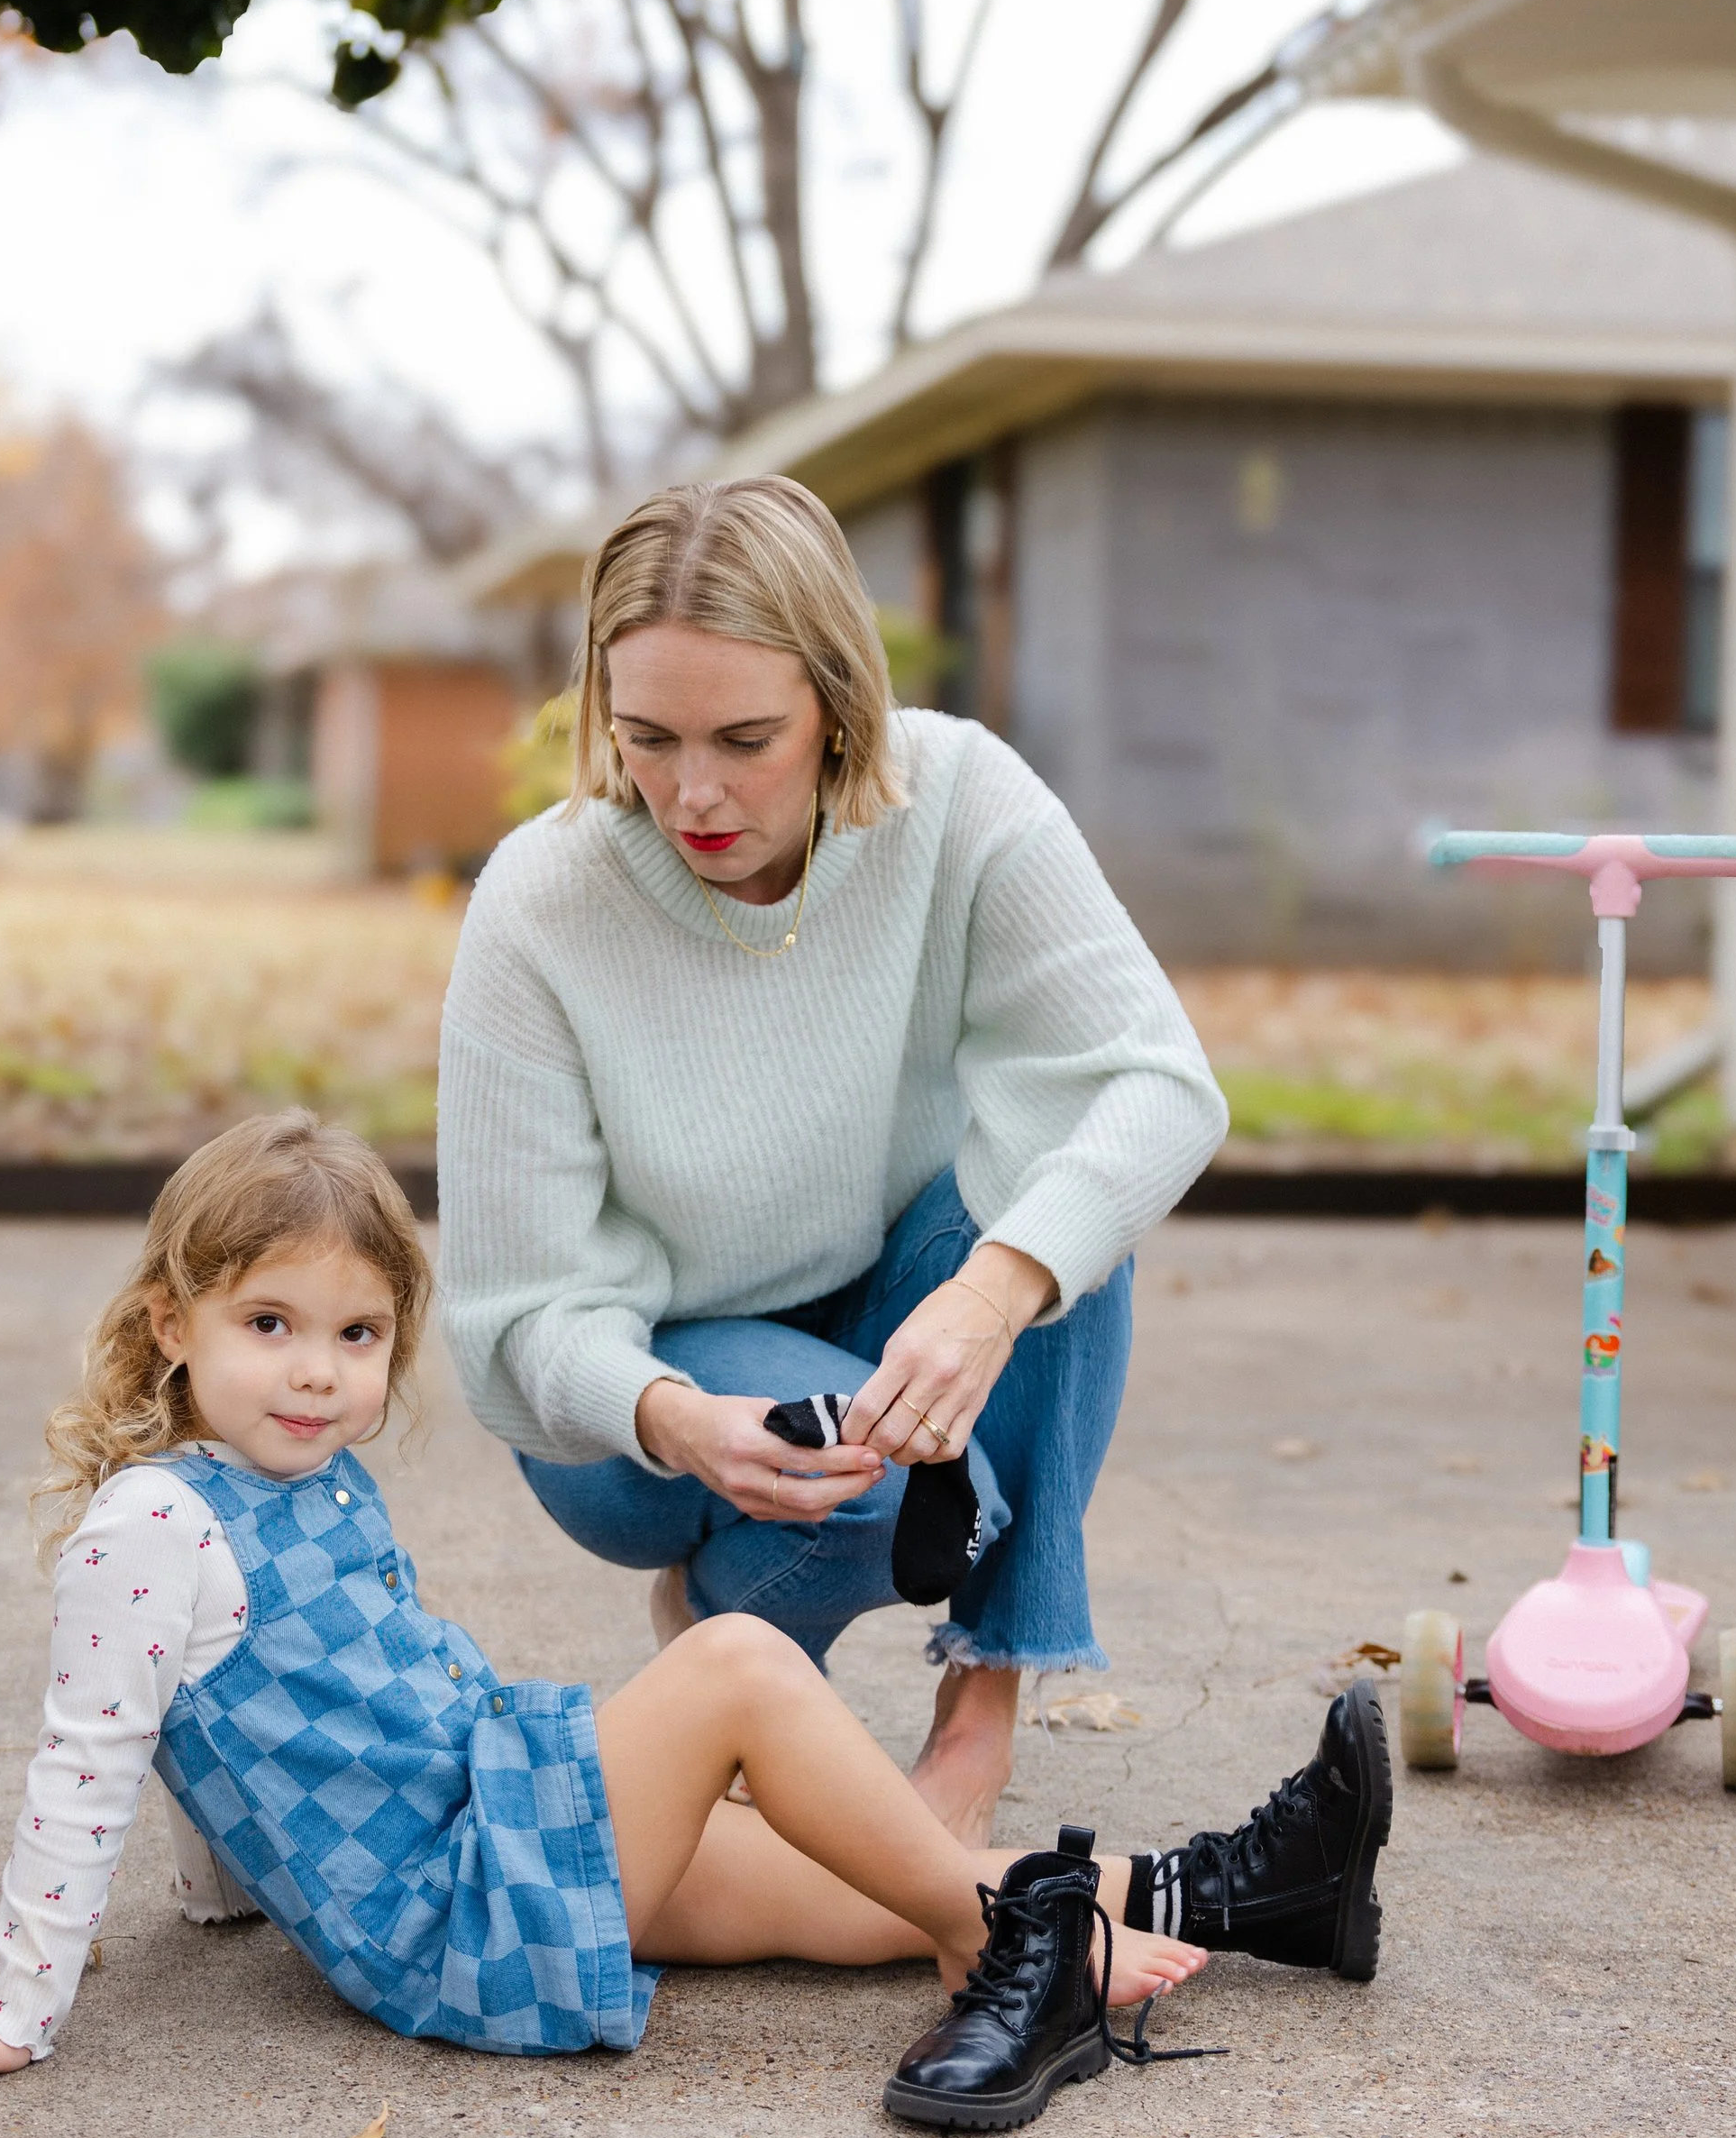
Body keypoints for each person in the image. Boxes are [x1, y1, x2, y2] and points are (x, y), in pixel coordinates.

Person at [0, 1116, 1392, 2133]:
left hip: (501, 1809)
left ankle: (1263, 1892)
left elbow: (233, 1728)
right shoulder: (150, 1527)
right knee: (730, 1668)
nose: (317, 1372)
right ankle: (1004, 1948)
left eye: (357, 1334)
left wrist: (229, 1897)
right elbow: (95, 1754)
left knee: (848, 1875)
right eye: (269, 1326)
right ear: (173, 1325)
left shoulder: (296, 1479)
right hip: (454, 1904)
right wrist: (12, 2012)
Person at [436, 475, 1229, 1846]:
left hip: (883, 1286)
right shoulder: (541, 901)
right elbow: (515, 1318)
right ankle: (729, 1640)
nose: (693, 792)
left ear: (839, 702)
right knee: (882, 1488)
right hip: (636, 1382)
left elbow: (1161, 1084)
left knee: (1071, 1205)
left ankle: (977, 1716)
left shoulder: (958, 793)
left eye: (748, 737)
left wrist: (993, 1293)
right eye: (646, 738)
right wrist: (676, 1416)